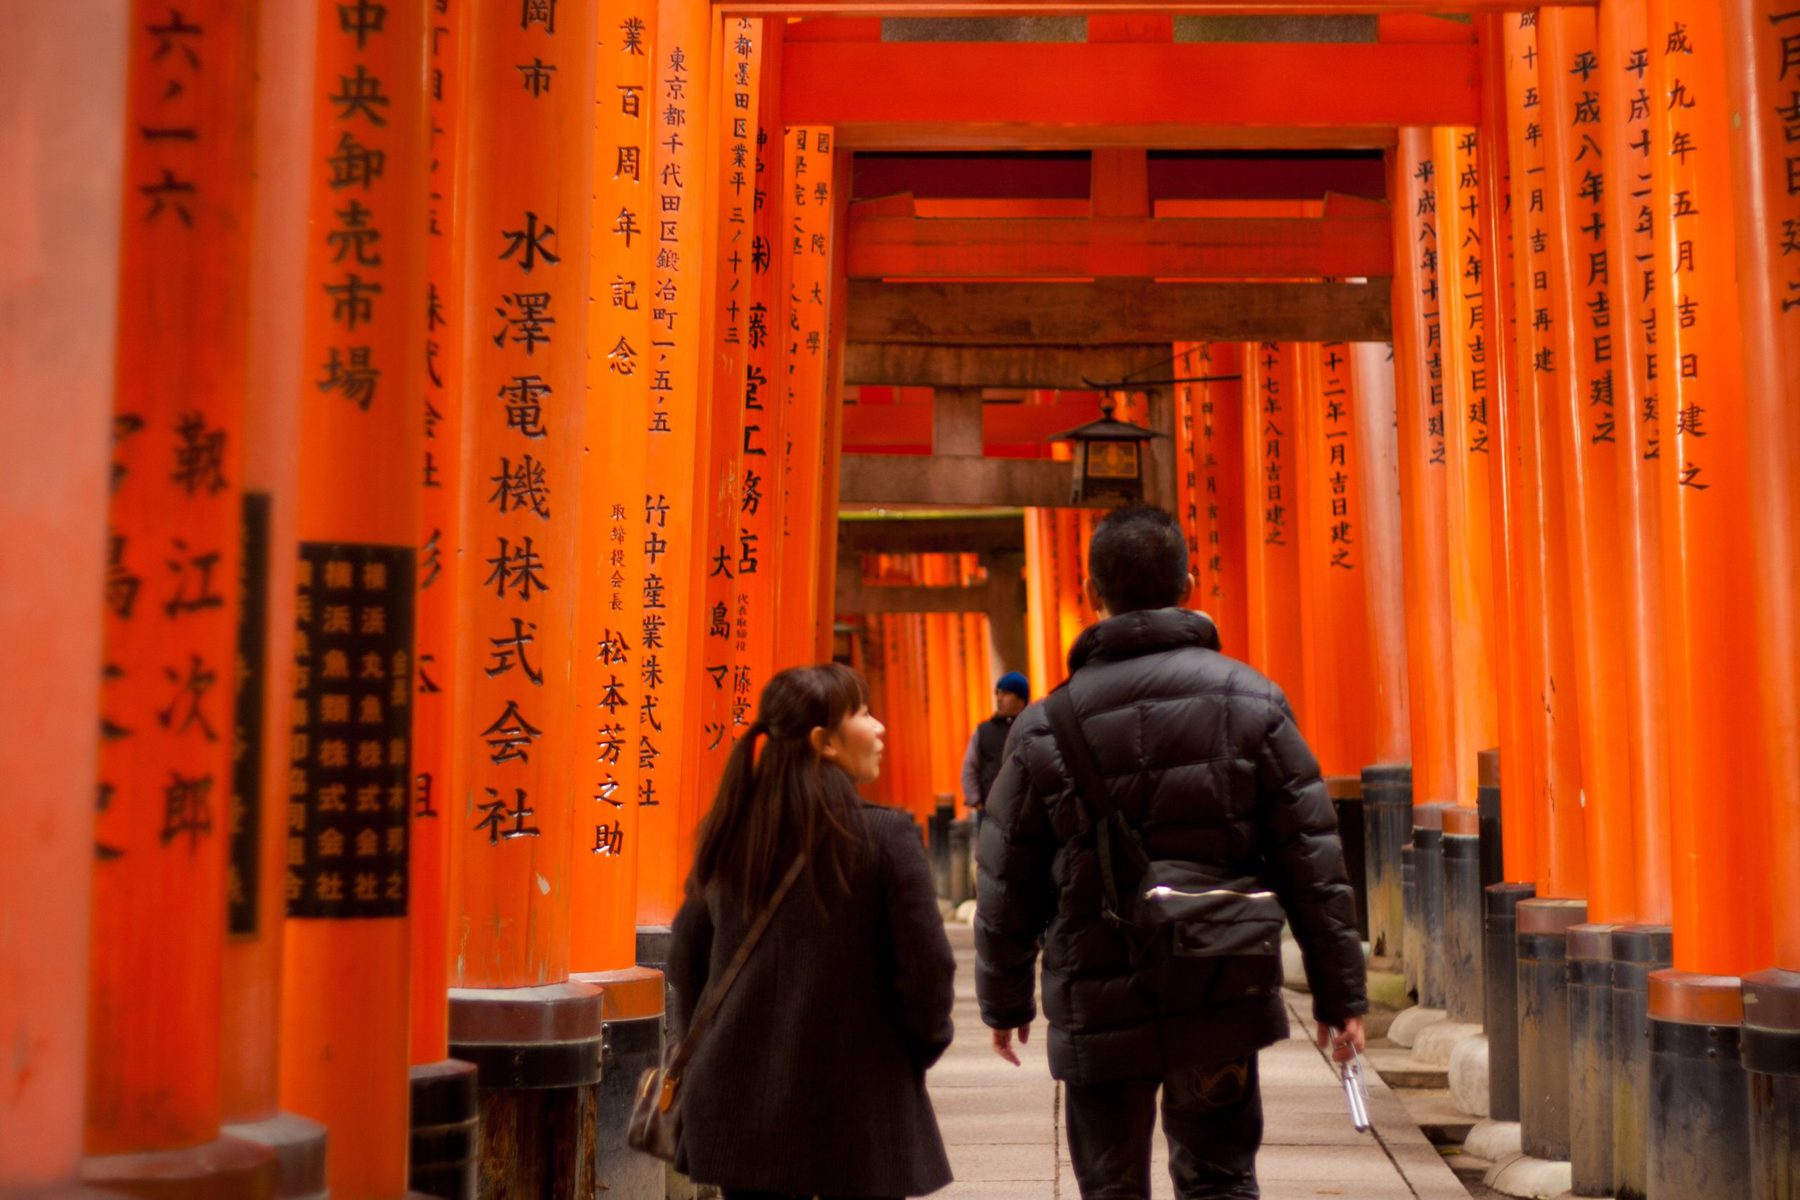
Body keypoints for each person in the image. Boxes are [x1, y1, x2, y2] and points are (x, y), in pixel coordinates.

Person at [973, 504, 1368, 1200]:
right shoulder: (1253, 702)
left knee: (1111, 1186)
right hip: (1218, 982)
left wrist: (1004, 1000)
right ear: (1187, 584)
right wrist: (1340, 994)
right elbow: (1310, 859)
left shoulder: (1044, 726)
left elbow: (1008, 878)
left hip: (1097, 992)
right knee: (1220, 1179)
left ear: (1093, 593)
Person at [668, 663, 956, 1200]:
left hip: (740, 1106)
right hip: (860, 1111)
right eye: (863, 713)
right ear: (825, 741)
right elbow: (928, 970)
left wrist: (711, 1046)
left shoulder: (730, 833)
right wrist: (913, 1051)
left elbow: (685, 958)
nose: (879, 727)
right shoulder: (883, 837)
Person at [959, 671, 1030, 829]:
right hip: (991, 813)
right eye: (997, 693)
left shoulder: (1031, 727)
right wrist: (976, 801)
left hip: (1027, 811)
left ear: (1021, 699)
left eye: (1005, 693)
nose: (999, 698)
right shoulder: (984, 731)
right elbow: (970, 766)